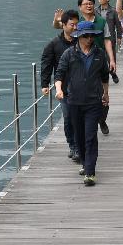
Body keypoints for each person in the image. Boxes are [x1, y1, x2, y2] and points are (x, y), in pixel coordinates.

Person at [54, 21, 110, 186]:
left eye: (92, 35)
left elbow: (105, 76)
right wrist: (59, 89)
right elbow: (59, 74)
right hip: (74, 101)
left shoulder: (100, 54)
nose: (89, 38)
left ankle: (90, 172)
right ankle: (85, 164)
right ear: (78, 36)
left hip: (94, 101)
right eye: (86, 35)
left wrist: (106, 94)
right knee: (79, 136)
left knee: (90, 136)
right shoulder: (69, 54)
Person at [53, 0, 116, 135]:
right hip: (80, 61)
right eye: (85, 4)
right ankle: (89, 123)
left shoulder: (101, 20)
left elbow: (107, 40)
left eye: (91, 3)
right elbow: (61, 27)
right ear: (79, 7)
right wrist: (57, 20)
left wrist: (111, 59)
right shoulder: (77, 22)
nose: (89, 6)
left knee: (102, 95)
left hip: (98, 60)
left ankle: (101, 119)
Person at [40, 9, 79, 161]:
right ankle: (73, 146)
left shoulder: (82, 40)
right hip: (64, 88)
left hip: (82, 87)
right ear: (63, 25)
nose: (74, 28)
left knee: (80, 118)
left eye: (76, 24)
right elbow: (46, 64)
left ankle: (79, 145)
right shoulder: (53, 44)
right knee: (68, 117)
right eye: (71, 25)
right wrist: (44, 84)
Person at [97, 0, 122, 84]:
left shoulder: (113, 11)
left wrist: (119, 36)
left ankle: (113, 73)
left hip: (110, 38)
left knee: (111, 57)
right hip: (98, 38)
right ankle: (101, 77)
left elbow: (118, 25)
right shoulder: (95, 11)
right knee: (99, 57)